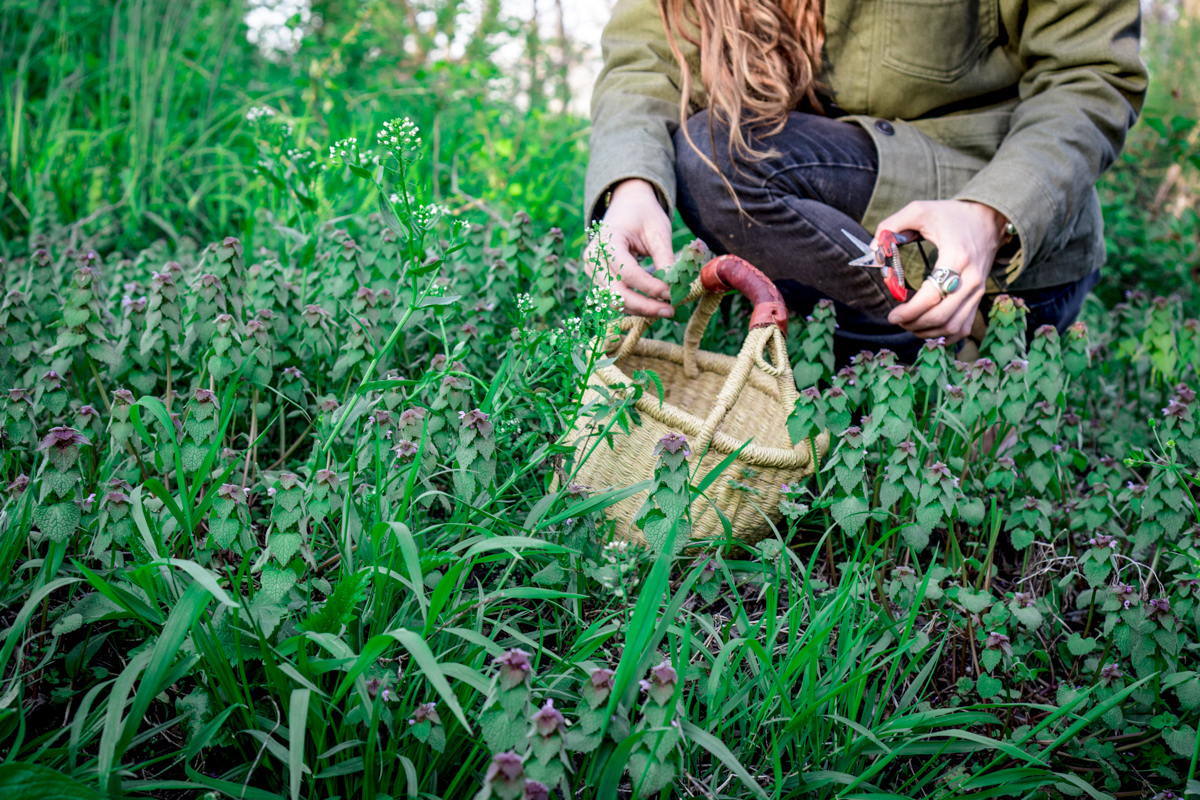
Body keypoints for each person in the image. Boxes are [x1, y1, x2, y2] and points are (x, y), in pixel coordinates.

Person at [583, 0, 1148, 363]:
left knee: (718, 157)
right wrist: (631, 185)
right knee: (714, 155)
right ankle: (870, 372)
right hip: (831, 199)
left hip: (992, 242)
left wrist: (989, 215)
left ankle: (945, 370)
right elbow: (646, 60)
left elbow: (1090, 76)